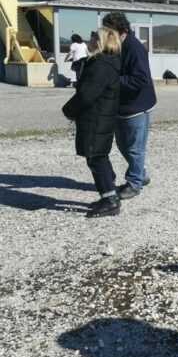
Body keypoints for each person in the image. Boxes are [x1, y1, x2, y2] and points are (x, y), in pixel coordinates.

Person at [62, 28, 123, 218]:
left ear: (100, 41)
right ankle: (110, 193)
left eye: (93, 37)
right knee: (99, 155)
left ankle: (110, 200)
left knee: (96, 157)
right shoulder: (107, 62)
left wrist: (68, 110)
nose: (90, 40)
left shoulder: (101, 64)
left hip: (96, 118)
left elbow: (87, 94)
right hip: (101, 116)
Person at [102, 12, 157, 200]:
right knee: (123, 145)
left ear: (123, 31)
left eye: (110, 32)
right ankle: (141, 174)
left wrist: (113, 80)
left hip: (137, 107)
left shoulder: (135, 48)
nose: (106, 36)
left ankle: (134, 183)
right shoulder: (114, 46)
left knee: (134, 148)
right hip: (121, 106)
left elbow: (140, 79)